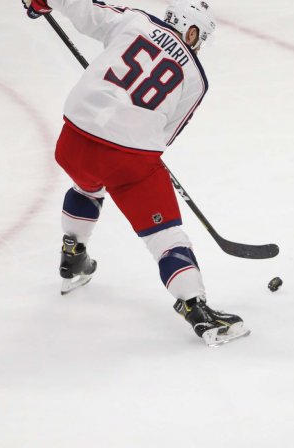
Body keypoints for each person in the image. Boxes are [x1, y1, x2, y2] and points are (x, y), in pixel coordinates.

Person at [22, 0, 248, 346]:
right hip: (127, 160)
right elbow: (164, 136)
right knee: (165, 236)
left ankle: (73, 253)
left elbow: (85, 11)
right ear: (191, 29)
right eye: (199, 36)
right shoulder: (196, 79)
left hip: (73, 141)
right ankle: (196, 308)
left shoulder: (134, 21)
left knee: (87, 186)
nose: (199, 44)